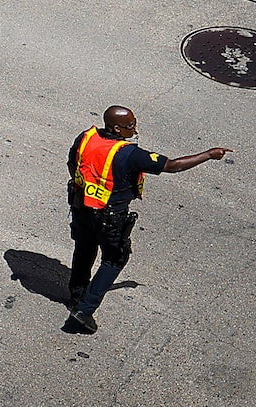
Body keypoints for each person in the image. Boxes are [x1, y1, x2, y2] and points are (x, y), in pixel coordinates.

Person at [63, 107, 233, 333]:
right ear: (116, 128)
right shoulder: (130, 154)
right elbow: (172, 166)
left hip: (81, 207)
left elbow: (72, 164)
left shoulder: (87, 137)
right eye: (130, 125)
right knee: (115, 258)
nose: (135, 128)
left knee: (84, 249)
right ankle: (83, 312)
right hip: (110, 216)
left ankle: (77, 294)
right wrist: (209, 155)